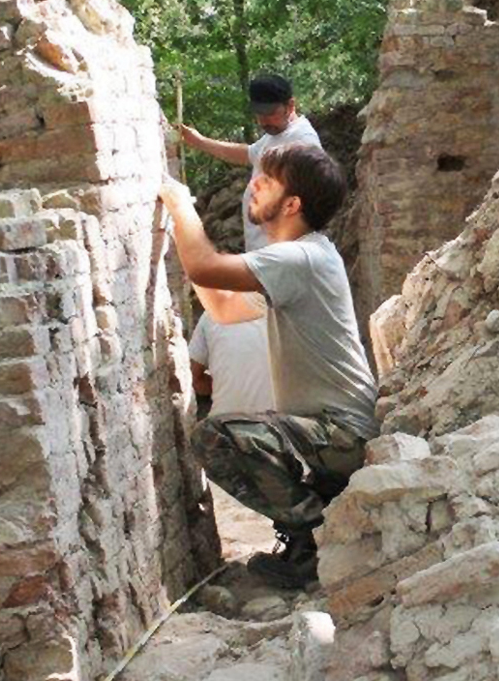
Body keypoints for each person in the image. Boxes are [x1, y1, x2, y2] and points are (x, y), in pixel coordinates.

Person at [160, 143, 376, 590]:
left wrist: (179, 204)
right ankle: (319, 525)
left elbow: (205, 265)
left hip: (342, 435)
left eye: (267, 180)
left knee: (217, 436)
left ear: (292, 203)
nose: (253, 185)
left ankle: (314, 544)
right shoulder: (303, 259)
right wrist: (189, 248)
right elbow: (221, 307)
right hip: (328, 433)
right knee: (240, 433)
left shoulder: (301, 257)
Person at [177, 72, 323, 252]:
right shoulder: (276, 134)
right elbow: (248, 154)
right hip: (265, 251)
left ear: (290, 105)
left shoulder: (302, 140)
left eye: (270, 113)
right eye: (259, 114)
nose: (263, 121)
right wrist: (200, 142)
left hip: (283, 253)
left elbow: (309, 201)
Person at [187, 290, 276, 421]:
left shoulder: (213, 312)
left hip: (225, 429)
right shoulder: (294, 316)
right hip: (279, 428)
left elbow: (193, 379)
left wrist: (225, 386)